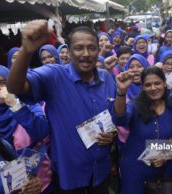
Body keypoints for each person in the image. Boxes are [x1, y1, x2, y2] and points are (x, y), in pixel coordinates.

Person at [7, 20, 116, 193]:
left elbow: (114, 116)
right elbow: (14, 87)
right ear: (69, 51)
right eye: (79, 48)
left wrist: (112, 133)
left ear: (98, 50)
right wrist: (26, 51)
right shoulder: (54, 75)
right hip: (69, 175)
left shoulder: (107, 78)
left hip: (100, 171)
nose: (86, 53)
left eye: (92, 48)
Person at [110, 66, 172, 194]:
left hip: (162, 174)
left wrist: (166, 156)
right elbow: (119, 120)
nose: (153, 88)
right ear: (143, 88)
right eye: (148, 85)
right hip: (134, 171)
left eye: (157, 83)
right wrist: (121, 92)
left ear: (164, 83)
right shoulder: (135, 105)